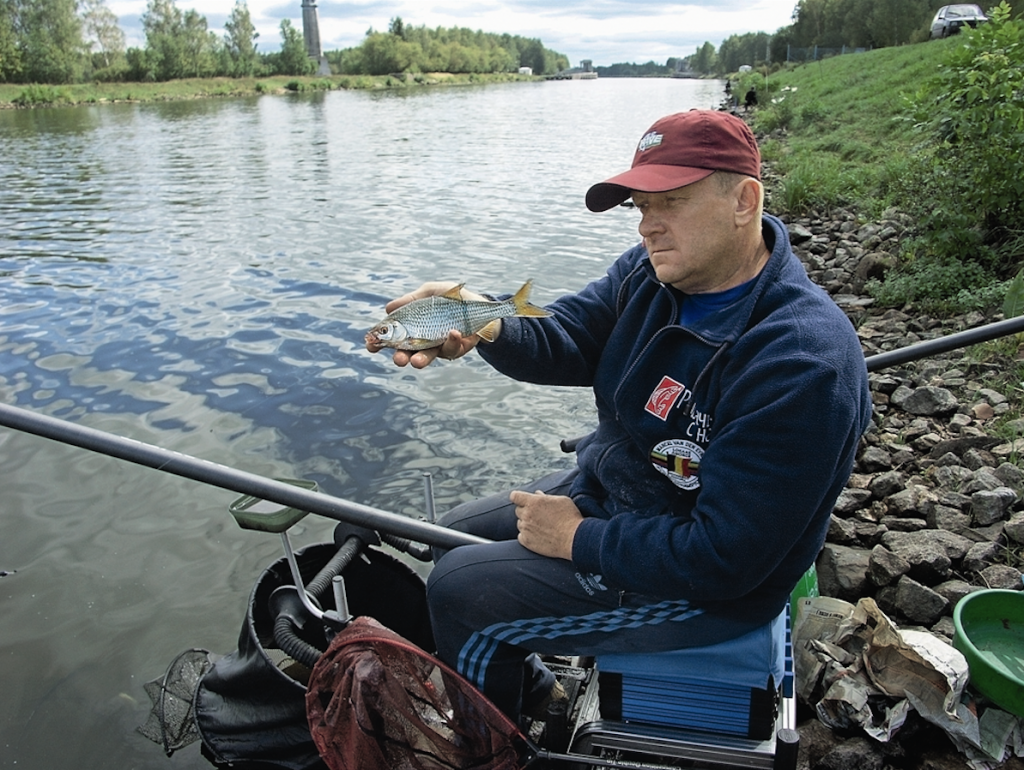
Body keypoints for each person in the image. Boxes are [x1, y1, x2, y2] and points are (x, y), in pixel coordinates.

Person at [366, 109, 872, 722]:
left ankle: (486, 752)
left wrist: (578, 538)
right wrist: (485, 320)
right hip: (629, 491)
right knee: (451, 534)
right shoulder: (651, 275)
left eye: (671, 203)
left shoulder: (803, 361)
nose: (647, 228)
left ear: (744, 200)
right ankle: (528, 692)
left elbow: (725, 558)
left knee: (459, 591)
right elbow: (570, 337)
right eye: (640, 207)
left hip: (710, 588)